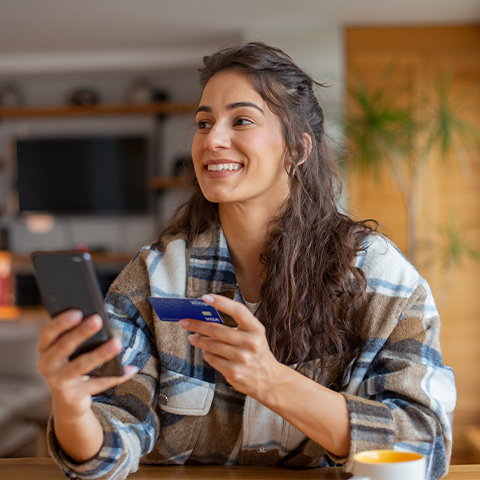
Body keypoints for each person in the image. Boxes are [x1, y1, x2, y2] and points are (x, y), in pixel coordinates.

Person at [37, 42, 456, 480]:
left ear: (296, 150)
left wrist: (271, 380)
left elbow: (424, 447)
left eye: (241, 120)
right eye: (203, 122)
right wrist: (70, 406)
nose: (212, 139)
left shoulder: (382, 278)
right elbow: (110, 445)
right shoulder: (154, 277)